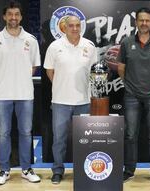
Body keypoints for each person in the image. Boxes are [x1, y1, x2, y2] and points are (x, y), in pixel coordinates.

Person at [0, 1, 41, 185]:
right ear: (4, 16)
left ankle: (26, 169)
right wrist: (5, 81)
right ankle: (4, 170)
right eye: (10, 14)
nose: (13, 18)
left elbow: (34, 66)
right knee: (4, 133)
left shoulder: (31, 40)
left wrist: (19, 80)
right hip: (2, 95)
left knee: (26, 132)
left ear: (21, 17)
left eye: (16, 14)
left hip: (25, 94)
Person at [117, 7, 150, 185]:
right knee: (131, 135)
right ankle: (129, 170)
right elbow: (121, 68)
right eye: (141, 20)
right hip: (131, 95)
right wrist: (131, 85)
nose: (144, 23)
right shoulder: (126, 43)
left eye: (147, 20)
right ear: (136, 22)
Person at [43, 15, 97, 184]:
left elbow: (94, 72)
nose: (74, 28)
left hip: (84, 101)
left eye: (77, 25)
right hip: (60, 101)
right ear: (64, 28)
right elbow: (49, 71)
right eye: (71, 26)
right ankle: (58, 170)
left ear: (80, 27)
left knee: (85, 140)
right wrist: (61, 85)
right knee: (59, 139)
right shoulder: (54, 46)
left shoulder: (89, 46)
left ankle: (83, 171)